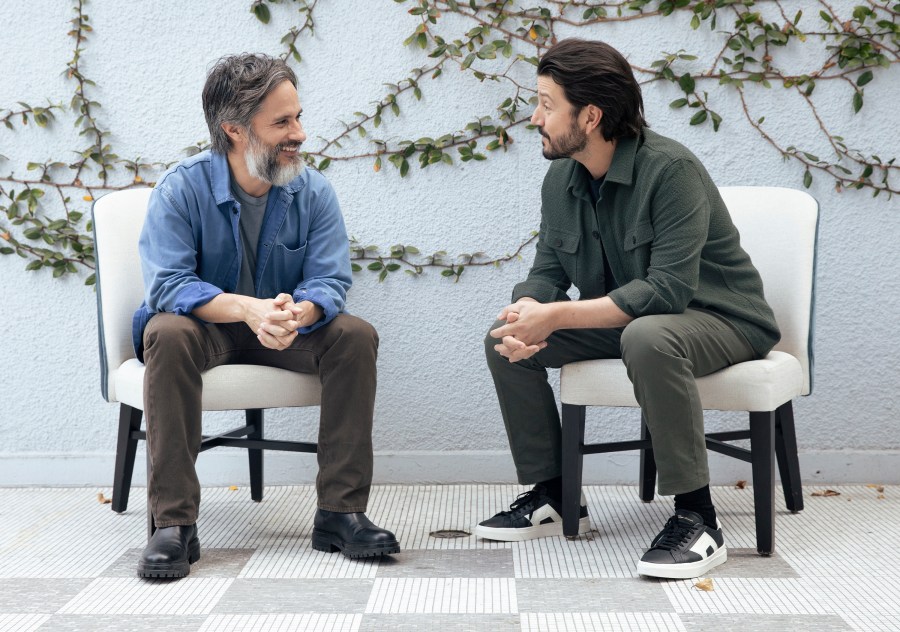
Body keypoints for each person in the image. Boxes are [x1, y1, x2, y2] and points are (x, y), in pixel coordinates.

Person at [475, 39, 780, 579]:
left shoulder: (671, 170)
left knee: (649, 335)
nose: (534, 117)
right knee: (502, 339)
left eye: (546, 104)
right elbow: (549, 271)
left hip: (721, 319)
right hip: (635, 325)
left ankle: (698, 517)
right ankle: (556, 495)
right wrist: (528, 310)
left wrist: (559, 317)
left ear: (589, 116)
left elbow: (666, 292)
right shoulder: (562, 179)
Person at [133, 53, 399, 579]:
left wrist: (301, 312)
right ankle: (173, 525)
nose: (299, 133)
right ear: (233, 129)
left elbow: (330, 280)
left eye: (298, 116)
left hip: (283, 330)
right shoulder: (181, 188)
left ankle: (340, 513)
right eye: (282, 122)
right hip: (205, 328)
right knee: (164, 331)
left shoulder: (312, 189)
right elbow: (168, 284)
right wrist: (246, 308)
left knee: (353, 336)